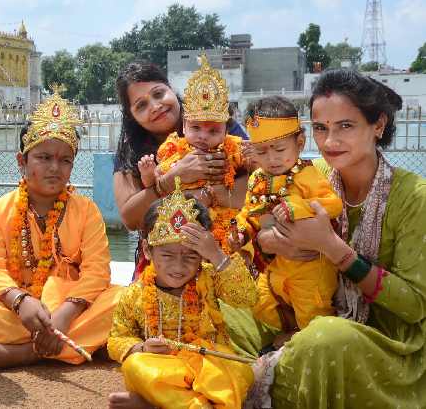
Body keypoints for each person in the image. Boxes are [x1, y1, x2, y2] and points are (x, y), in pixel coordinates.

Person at [225, 70, 425, 408]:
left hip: (383, 343)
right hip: (295, 304)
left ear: (378, 125)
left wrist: (332, 249)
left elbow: (415, 306)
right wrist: (268, 244)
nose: (330, 141)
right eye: (321, 128)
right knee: (224, 310)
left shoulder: (414, 197)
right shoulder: (308, 174)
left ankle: (238, 379)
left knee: (324, 338)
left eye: (345, 126)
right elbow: (262, 223)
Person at [0, 89, 120, 371]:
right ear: (22, 162)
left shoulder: (86, 210)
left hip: (73, 309)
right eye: (44, 158)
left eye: (65, 160)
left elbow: (98, 271)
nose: (55, 168)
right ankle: (71, 345)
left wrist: (65, 313)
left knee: (121, 301)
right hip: (23, 313)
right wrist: (20, 301)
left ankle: (27, 353)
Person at [107, 180, 257, 409]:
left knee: (241, 371)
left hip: (208, 364)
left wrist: (216, 255)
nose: (179, 266)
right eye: (167, 255)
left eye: (190, 255)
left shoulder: (209, 276)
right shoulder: (135, 293)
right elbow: (117, 338)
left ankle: (156, 404)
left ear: (202, 254)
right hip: (163, 368)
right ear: (147, 250)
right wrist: (142, 348)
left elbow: (246, 297)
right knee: (135, 366)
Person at [111, 62, 238, 278]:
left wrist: (209, 194)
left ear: (171, 89)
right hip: (163, 263)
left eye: (158, 94)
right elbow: (130, 219)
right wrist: (171, 179)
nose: (155, 106)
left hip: (222, 249)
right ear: (131, 116)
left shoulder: (216, 123)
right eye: (141, 106)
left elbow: (254, 184)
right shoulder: (132, 152)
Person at [234, 96, 342, 334]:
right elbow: (249, 212)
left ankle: (303, 349)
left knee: (313, 319)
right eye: (261, 152)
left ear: (300, 142)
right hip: (275, 267)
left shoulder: (307, 174)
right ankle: (284, 337)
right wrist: (240, 231)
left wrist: (298, 207)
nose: (271, 159)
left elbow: (333, 204)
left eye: (279, 149)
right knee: (260, 304)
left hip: (309, 269)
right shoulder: (257, 178)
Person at [138, 55, 247, 255]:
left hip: (223, 222)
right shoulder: (174, 149)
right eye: (196, 128)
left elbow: (255, 166)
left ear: (225, 132)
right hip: (184, 224)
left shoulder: (232, 148)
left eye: (213, 131)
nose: (203, 137)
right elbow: (157, 183)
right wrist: (148, 174)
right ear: (184, 125)